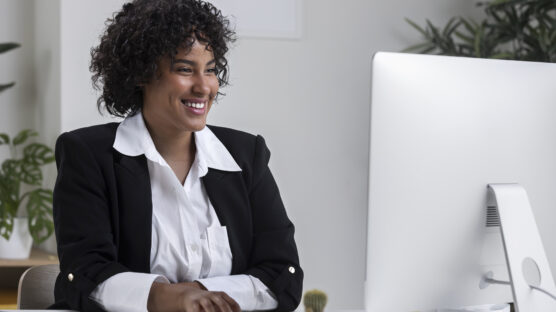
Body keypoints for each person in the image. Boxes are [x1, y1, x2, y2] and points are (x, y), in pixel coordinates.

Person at [50, 0, 303, 311]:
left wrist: (198, 293)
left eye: (210, 70)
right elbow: (85, 273)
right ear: (142, 73)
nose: (203, 86)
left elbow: (283, 277)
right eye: (185, 69)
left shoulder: (245, 156)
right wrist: (161, 296)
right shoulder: (89, 155)